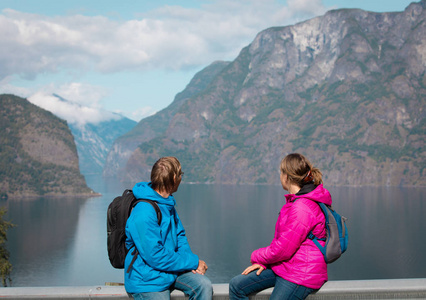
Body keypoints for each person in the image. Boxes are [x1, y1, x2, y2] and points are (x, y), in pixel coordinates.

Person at [229, 153, 331, 300]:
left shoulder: (301, 207)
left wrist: (256, 256)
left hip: (302, 273)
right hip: (287, 267)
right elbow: (285, 245)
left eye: (281, 173)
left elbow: (283, 249)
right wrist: (264, 263)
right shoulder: (296, 203)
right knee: (236, 286)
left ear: (287, 177)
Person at [124, 156, 213, 300]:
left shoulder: (167, 203)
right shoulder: (143, 212)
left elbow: (179, 236)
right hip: (148, 279)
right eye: (180, 175)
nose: (180, 178)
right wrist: (194, 262)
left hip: (169, 270)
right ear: (173, 178)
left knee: (204, 286)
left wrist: (190, 264)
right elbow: (155, 256)